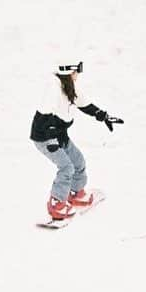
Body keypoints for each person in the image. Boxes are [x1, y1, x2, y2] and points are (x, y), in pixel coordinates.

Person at [30, 62, 123, 220]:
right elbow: (44, 113)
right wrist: (50, 136)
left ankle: (75, 193)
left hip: (60, 135)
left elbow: (84, 104)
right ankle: (56, 204)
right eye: (77, 69)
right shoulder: (53, 88)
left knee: (78, 161)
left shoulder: (68, 86)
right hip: (45, 138)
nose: (78, 73)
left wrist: (103, 115)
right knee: (66, 167)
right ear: (67, 70)